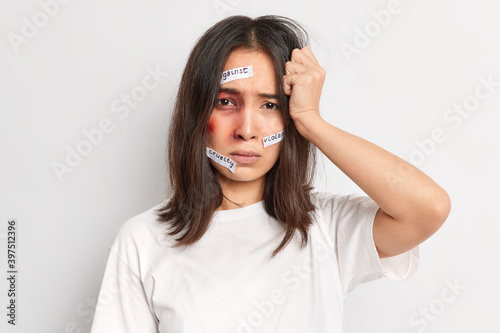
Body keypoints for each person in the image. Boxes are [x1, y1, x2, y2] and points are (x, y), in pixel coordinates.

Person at [90, 15, 450, 332]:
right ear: (197, 113)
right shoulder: (143, 240)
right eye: (226, 101)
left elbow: (428, 208)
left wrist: (311, 121)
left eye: (270, 104)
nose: (247, 129)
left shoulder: (326, 227)